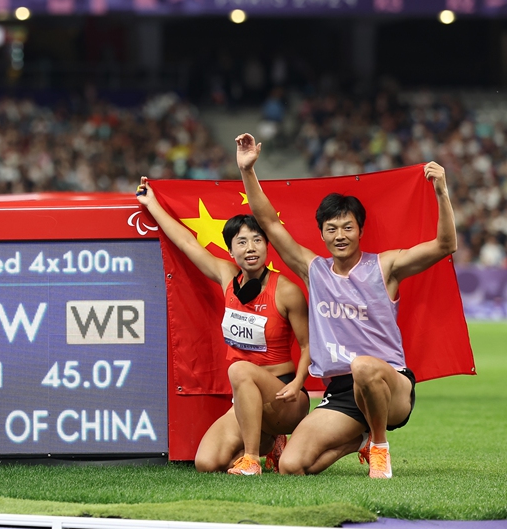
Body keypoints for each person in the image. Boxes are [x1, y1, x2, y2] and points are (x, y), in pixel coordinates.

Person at [236, 133, 456, 478]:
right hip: (340, 392)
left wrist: (441, 191)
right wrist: (248, 170)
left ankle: (380, 446)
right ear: (322, 234)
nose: (340, 235)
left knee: (363, 366)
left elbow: (446, 245)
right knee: (292, 466)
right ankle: (361, 438)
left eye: (347, 227)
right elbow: (269, 223)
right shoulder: (314, 271)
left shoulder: (386, 267)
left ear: (360, 230)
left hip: (389, 385)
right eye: (331, 228)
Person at [136, 177, 310, 476]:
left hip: (285, 398)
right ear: (231, 251)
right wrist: (151, 203)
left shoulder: (286, 291)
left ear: (268, 246)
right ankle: (269, 442)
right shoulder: (227, 277)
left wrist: (297, 384)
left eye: (257, 240)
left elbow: (308, 346)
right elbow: (187, 242)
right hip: (245, 398)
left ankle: (252, 459)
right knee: (206, 463)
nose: (250, 247)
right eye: (241, 242)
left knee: (238, 369)